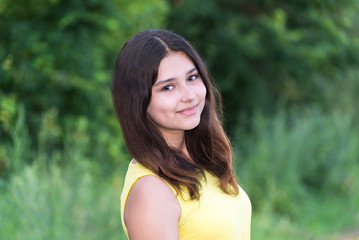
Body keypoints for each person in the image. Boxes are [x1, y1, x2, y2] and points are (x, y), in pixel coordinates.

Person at [112, 29, 251, 240]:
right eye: (168, 87)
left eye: (192, 77)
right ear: (138, 101)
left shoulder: (203, 162)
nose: (189, 95)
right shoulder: (152, 191)